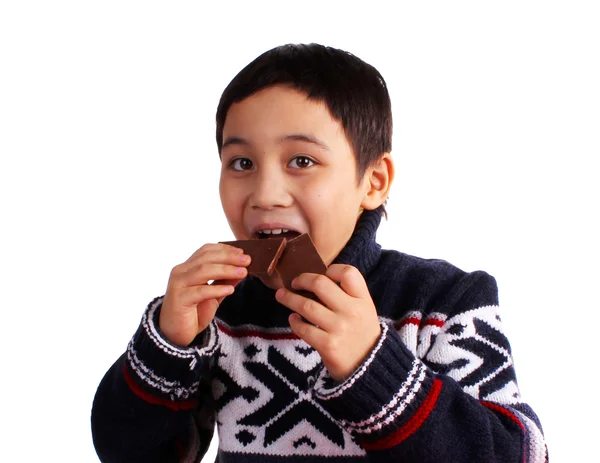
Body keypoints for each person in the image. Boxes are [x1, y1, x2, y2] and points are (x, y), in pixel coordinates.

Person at [91, 43, 548, 462]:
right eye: (242, 163)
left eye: (302, 161)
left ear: (374, 181)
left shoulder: (444, 302)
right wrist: (165, 346)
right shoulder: (218, 315)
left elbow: (522, 453)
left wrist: (375, 369)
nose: (266, 194)